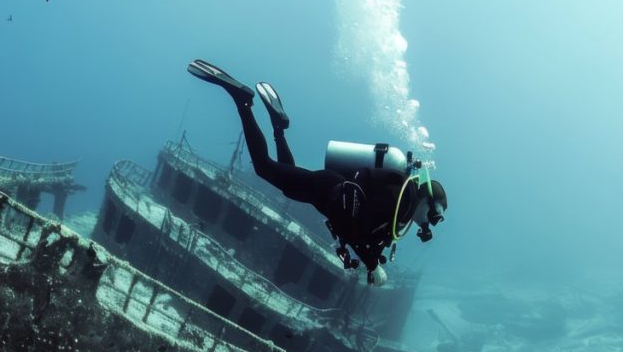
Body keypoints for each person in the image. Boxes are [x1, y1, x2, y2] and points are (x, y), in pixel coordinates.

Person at [187, 59, 447, 285]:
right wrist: (372, 265)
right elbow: (359, 228)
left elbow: (367, 226)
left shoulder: (404, 204)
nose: (429, 224)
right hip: (327, 190)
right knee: (264, 167)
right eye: (435, 218)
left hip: (327, 191)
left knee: (287, 183)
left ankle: (278, 127)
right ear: (430, 203)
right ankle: (242, 101)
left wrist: (372, 260)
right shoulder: (403, 200)